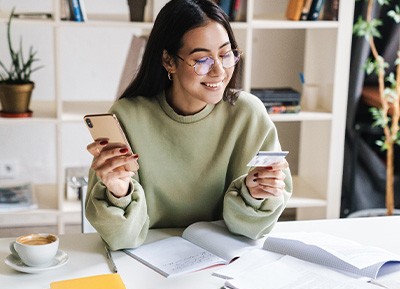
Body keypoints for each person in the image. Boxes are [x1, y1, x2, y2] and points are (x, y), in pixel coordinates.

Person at [85, 0, 292, 250]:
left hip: (224, 259)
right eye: (202, 60)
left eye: (226, 55)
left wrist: (255, 194)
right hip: (146, 260)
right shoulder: (127, 116)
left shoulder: (248, 114)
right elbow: (122, 239)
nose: (219, 71)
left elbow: (251, 232)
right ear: (169, 61)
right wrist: (119, 192)